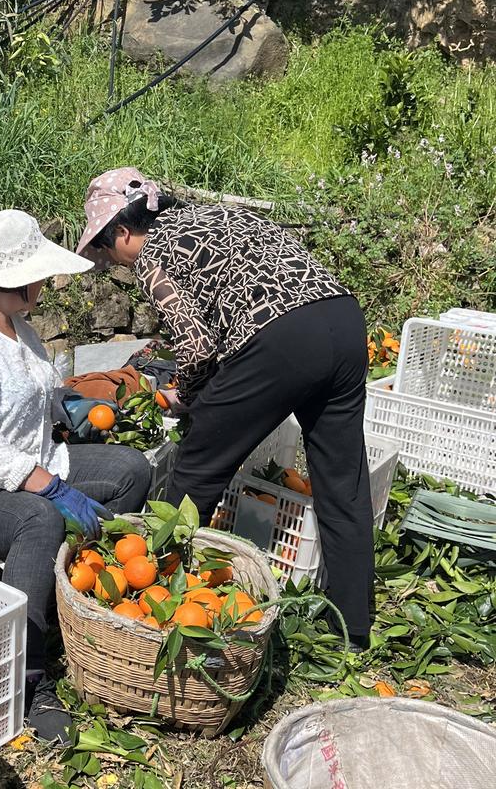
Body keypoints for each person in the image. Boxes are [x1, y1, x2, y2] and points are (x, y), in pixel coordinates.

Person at [77, 167, 374, 651]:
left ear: (124, 232)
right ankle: (354, 631)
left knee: (196, 468)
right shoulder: (218, 215)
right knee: (343, 481)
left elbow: (196, 348)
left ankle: (158, 603)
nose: (116, 263)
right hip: (342, 319)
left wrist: (190, 397)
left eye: (108, 251)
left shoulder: (153, 256)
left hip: (280, 338)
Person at [0, 210, 152, 742]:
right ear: (11, 279)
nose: (45, 282)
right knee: (39, 520)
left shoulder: (17, 326)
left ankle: (78, 593)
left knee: (131, 470)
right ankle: (26, 674)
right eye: (39, 274)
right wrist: (51, 486)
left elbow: (32, 393)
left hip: (34, 459)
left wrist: (65, 407)